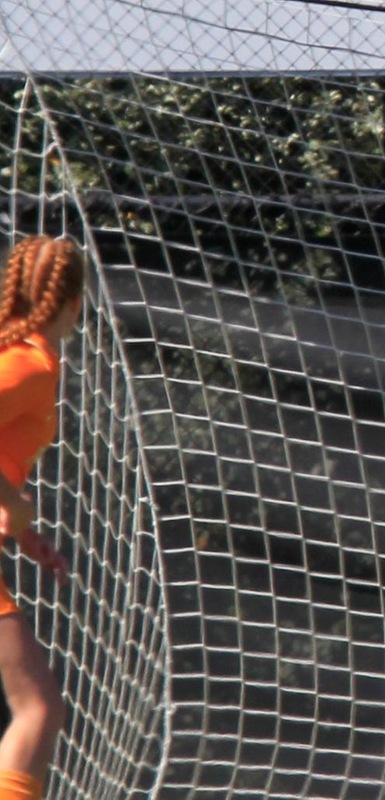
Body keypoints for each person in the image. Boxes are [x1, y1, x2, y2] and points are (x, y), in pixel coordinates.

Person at [0, 235, 79, 800]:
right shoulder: (25, 366)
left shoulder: (29, 359)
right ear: (76, 304)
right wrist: (10, 499)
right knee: (39, 707)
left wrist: (23, 531)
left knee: (37, 706)